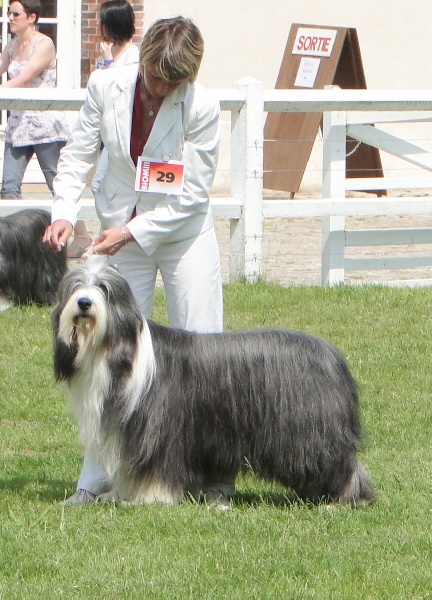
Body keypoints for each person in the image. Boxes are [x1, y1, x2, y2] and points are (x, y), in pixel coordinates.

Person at [43, 16, 230, 506]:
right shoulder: (105, 86)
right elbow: (78, 154)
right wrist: (64, 212)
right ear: (142, 57)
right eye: (155, 77)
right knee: (109, 352)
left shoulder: (202, 106)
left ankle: (213, 479)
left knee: (205, 357)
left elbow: (192, 193)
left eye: (173, 82)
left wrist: (129, 232)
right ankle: (97, 480)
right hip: (119, 232)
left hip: (182, 234)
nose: (161, 88)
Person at [68, 0, 140, 258]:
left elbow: (121, 89)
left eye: (101, 22)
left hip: (122, 135)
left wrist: (108, 62)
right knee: (100, 184)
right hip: (104, 133)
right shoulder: (110, 52)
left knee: (103, 183)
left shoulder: (133, 55)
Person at [0, 0, 70, 199]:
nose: (10, 18)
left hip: (44, 124)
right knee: (9, 188)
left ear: (31, 18)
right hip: (18, 124)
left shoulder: (44, 44)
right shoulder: (12, 45)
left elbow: (25, 77)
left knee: (58, 184)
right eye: (9, 13)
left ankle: (76, 220)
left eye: (16, 14)